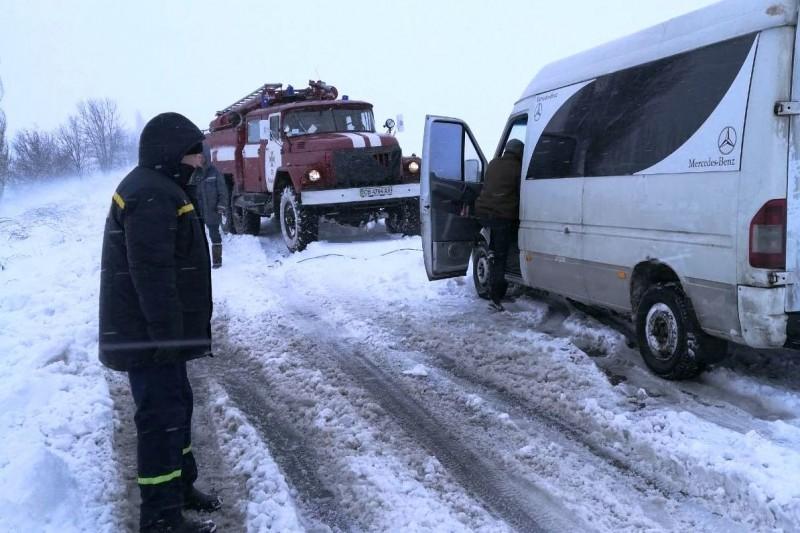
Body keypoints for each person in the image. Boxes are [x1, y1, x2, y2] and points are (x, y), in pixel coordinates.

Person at [99, 112, 221, 533]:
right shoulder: (151, 194)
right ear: (171, 153)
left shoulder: (159, 187)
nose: (200, 164)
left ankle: (181, 489)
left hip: (156, 337)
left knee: (177, 409)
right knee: (159, 421)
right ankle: (160, 518)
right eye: (194, 156)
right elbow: (151, 272)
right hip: (149, 340)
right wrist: (168, 335)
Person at [474, 138, 524, 311]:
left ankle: (493, 251)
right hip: (502, 216)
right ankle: (496, 299)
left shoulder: (494, 163)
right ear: (519, 153)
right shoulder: (518, 168)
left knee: (496, 248)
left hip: (483, 213)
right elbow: (520, 194)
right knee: (501, 257)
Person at [190, 146, 229, 268]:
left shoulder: (215, 172)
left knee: (215, 236)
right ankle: (202, 261)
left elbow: (223, 191)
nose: (199, 159)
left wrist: (221, 206)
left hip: (212, 211)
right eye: (198, 157)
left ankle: (217, 261)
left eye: (201, 156)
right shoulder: (194, 174)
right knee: (199, 238)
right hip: (199, 212)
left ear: (206, 157)